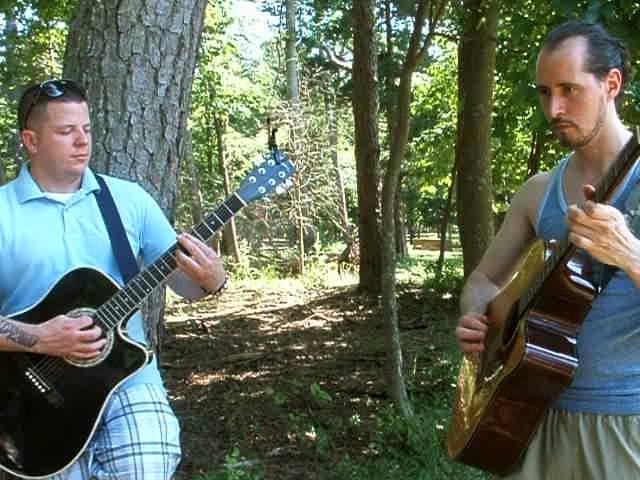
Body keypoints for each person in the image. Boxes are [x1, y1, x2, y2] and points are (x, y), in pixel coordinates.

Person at [0, 79, 227, 479]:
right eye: (66, 131)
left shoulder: (128, 199)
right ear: (31, 141)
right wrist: (42, 338)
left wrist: (214, 280)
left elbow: (184, 284)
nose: (82, 141)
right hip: (29, 394)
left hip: (125, 375)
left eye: (86, 129)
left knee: (147, 464)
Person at [454, 20, 640, 478]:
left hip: (623, 424)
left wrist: (629, 254)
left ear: (610, 84)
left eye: (569, 89)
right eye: (543, 92)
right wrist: (478, 318)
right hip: (528, 418)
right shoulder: (539, 192)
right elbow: (482, 280)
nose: (553, 108)